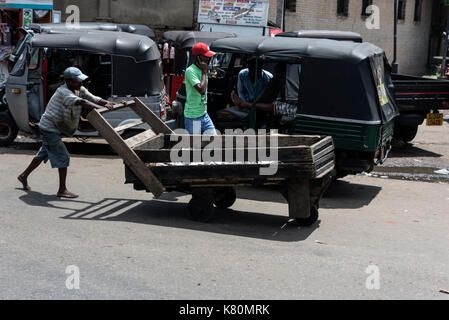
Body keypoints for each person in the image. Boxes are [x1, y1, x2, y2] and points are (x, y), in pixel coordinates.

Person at [17, 67, 118, 198]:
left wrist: (110, 104)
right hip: (49, 128)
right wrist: (101, 108)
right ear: (69, 81)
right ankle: (62, 190)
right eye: (77, 80)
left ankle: (23, 176)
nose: (81, 83)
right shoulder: (63, 92)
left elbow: (93, 98)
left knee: (43, 153)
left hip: (57, 127)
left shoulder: (79, 89)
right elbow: (82, 102)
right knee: (63, 156)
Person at [184, 42, 217, 135]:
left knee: (215, 142)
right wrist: (204, 72)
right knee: (194, 147)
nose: (208, 58)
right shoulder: (191, 71)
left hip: (204, 114)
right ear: (197, 57)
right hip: (193, 117)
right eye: (206, 56)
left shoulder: (203, 69)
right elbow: (202, 90)